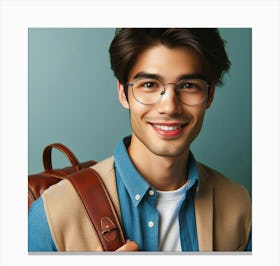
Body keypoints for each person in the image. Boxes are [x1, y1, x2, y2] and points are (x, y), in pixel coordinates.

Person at [28, 28, 252, 252]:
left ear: (209, 95)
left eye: (188, 86)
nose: (170, 107)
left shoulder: (240, 206)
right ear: (123, 93)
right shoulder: (52, 213)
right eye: (149, 85)